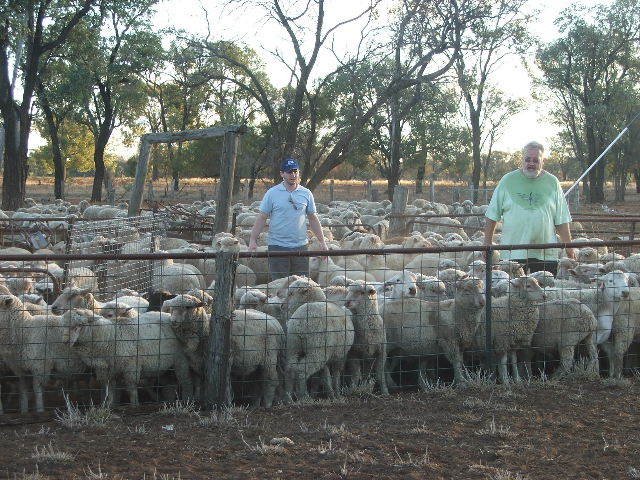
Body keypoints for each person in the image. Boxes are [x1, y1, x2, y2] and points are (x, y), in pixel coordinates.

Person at [484, 141, 576, 276]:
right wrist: (487, 245)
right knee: (512, 294)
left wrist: (569, 248)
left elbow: (561, 220)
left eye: (535, 160)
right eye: (528, 159)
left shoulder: (553, 182)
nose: (531, 163)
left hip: (545, 253)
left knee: (544, 294)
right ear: (522, 160)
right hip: (513, 253)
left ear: (542, 162)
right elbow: (492, 215)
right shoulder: (507, 181)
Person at [248, 158, 328, 280]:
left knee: (301, 286)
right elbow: (262, 217)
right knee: (280, 286)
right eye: (289, 172)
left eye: (295, 171)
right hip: (278, 247)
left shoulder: (306, 193)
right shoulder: (272, 193)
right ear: (282, 174)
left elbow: (312, 218)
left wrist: (322, 241)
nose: (293, 175)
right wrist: (253, 239)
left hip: (300, 246)